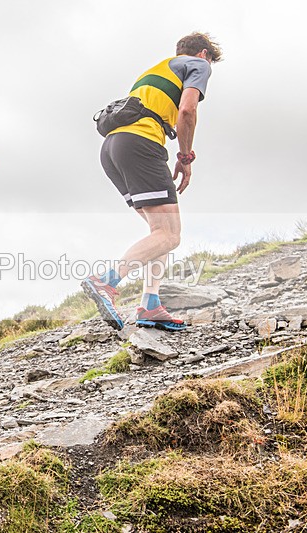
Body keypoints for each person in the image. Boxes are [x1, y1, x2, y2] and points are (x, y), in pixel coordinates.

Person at [82, 32, 222, 332]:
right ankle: (106, 281)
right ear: (204, 55)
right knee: (170, 235)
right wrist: (185, 157)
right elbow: (187, 110)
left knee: (160, 233)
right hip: (140, 144)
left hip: (112, 148)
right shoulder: (199, 65)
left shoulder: (158, 68)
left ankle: (150, 304)